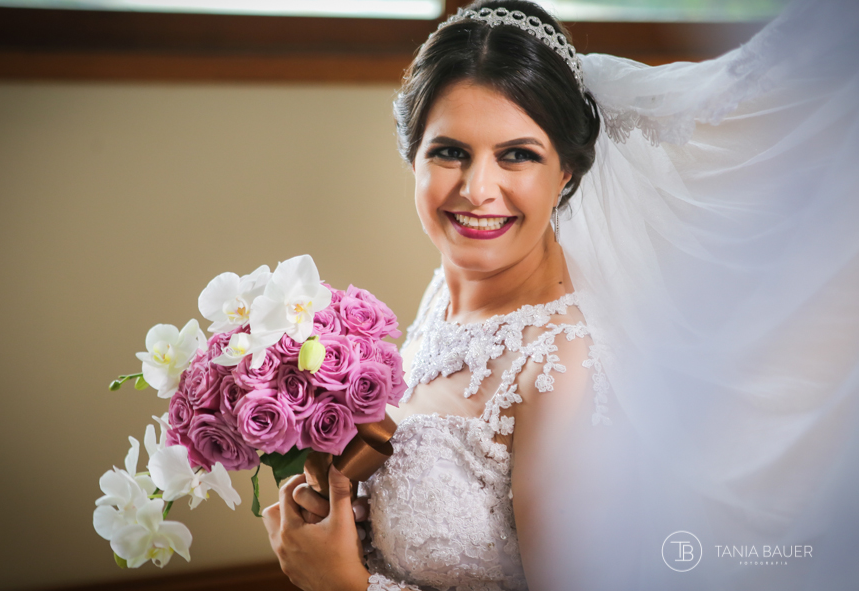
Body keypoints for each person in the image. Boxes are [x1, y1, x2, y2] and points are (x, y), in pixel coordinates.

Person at [264, 0, 859, 589]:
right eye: (449, 152)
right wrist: (344, 520)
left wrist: (347, 585)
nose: (477, 190)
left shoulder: (559, 365)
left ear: (567, 172)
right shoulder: (444, 297)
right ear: (413, 157)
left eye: (517, 155)